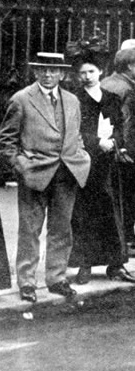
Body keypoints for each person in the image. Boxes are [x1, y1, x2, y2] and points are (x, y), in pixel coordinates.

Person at [0, 52, 91, 302]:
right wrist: (21, 166)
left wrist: (80, 154)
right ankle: (27, 282)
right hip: (35, 174)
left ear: (62, 73)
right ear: (36, 72)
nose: (48, 75)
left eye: (53, 70)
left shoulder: (72, 100)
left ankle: (57, 278)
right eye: (43, 70)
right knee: (30, 230)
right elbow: (7, 140)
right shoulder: (21, 99)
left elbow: (77, 133)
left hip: (67, 172)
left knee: (62, 229)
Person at [67, 43, 135, 285]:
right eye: (82, 73)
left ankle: (116, 264)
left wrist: (115, 142)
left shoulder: (111, 98)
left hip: (108, 164)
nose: (87, 77)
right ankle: (85, 264)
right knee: (85, 213)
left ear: (100, 72)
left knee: (112, 210)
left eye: (91, 72)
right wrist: (97, 142)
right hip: (85, 162)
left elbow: (120, 127)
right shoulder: (75, 100)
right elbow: (73, 131)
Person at [101, 45, 135, 250]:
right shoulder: (127, 88)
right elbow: (126, 121)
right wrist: (124, 148)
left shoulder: (107, 82)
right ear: (130, 66)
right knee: (131, 194)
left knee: (117, 194)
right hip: (129, 149)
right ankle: (126, 238)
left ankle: (124, 236)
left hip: (110, 146)